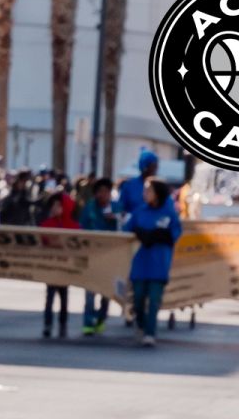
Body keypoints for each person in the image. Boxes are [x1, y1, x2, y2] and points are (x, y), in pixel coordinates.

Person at [124, 177, 182, 348]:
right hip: (140, 263)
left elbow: (175, 234)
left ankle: (150, 333)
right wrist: (140, 232)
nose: (145, 194)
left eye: (148, 190)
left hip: (159, 264)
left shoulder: (169, 213)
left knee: (154, 300)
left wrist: (159, 235)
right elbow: (127, 230)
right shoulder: (139, 211)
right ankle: (141, 324)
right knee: (139, 298)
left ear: (157, 193)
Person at [78, 176, 119, 335]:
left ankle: (101, 318)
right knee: (89, 293)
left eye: (106, 191)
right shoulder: (89, 208)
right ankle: (88, 323)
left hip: (110, 259)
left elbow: (125, 227)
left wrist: (115, 219)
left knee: (106, 294)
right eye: (100, 191)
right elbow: (82, 228)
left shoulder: (116, 208)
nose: (104, 195)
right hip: (92, 257)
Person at [38, 181, 78, 338]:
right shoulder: (47, 224)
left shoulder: (73, 226)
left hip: (66, 268)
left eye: (58, 206)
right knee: (49, 297)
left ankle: (62, 324)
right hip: (50, 267)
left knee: (63, 298)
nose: (55, 209)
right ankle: (48, 324)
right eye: (53, 206)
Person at [117, 147, 160, 218]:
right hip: (132, 227)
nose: (156, 169)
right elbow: (120, 209)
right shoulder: (129, 186)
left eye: (156, 166)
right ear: (145, 167)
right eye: (153, 166)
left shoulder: (159, 186)